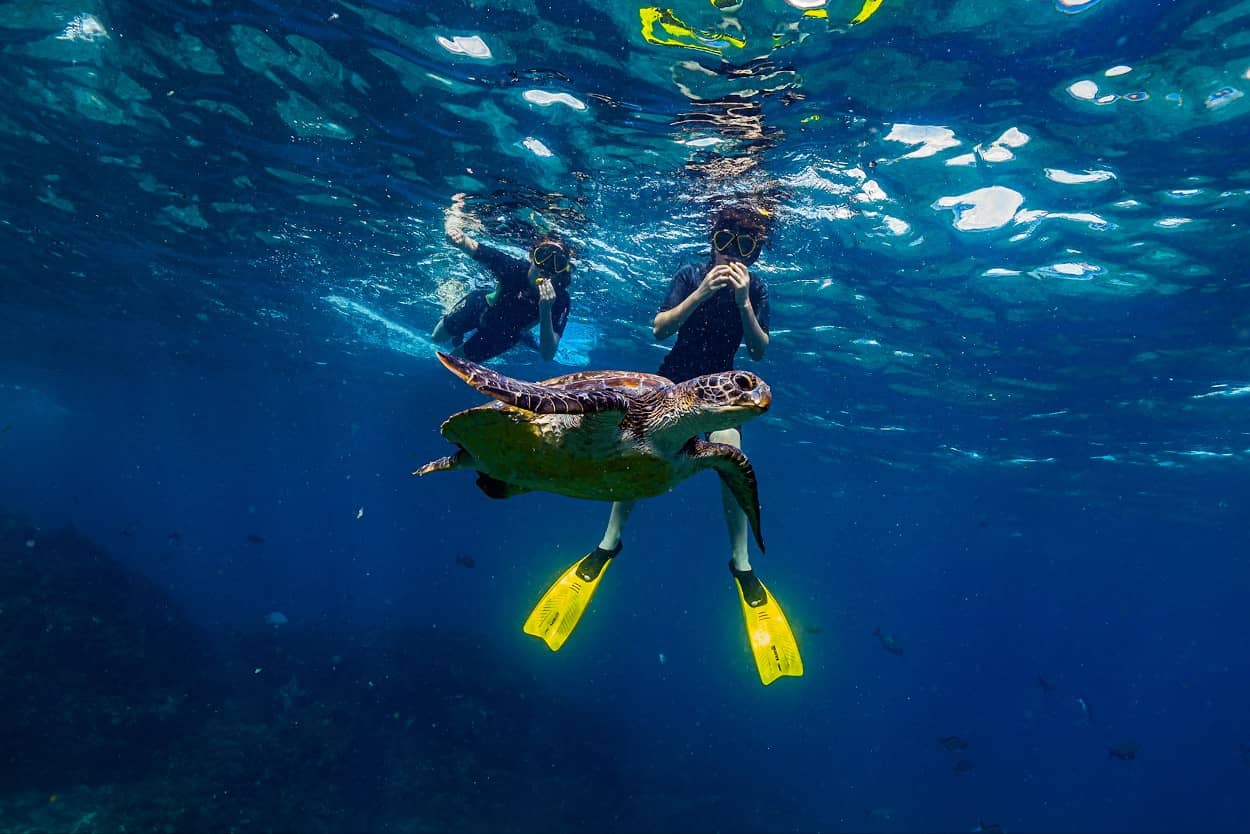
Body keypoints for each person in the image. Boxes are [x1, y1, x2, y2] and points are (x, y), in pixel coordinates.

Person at [521, 202, 803, 685]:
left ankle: (741, 562)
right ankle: (609, 542)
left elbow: (759, 351)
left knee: (730, 443)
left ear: (756, 252)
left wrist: (742, 303)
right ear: (711, 239)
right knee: (637, 446)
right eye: (724, 243)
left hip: (719, 387)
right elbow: (660, 328)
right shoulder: (691, 272)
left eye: (746, 247)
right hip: (671, 382)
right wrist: (699, 294)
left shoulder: (755, 288)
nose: (731, 255)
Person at [433, 193, 572, 362]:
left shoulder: (560, 298)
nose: (546, 268)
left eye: (557, 263)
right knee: (436, 338)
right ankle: (454, 314)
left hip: (504, 335)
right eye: (542, 256)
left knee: (454, 362)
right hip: (479, 307)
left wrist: (545, 309)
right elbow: (467, 243)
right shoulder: (513, 268)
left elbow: (547, 355)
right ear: (531, 256)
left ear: (562, 271)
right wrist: (453, 229)